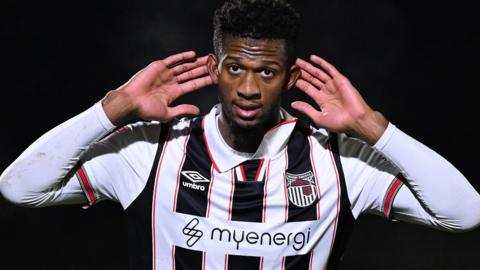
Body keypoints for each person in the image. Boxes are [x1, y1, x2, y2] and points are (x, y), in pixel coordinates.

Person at [1, 0, 479, 269]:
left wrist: (375, 128)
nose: (249, 88)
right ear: (214, 68)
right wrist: (112, 109)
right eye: (235, 68)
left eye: (268, 72)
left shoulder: (340, 161)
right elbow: (18, 189)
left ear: (291, 78)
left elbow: (467, 214)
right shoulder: (150, 151)